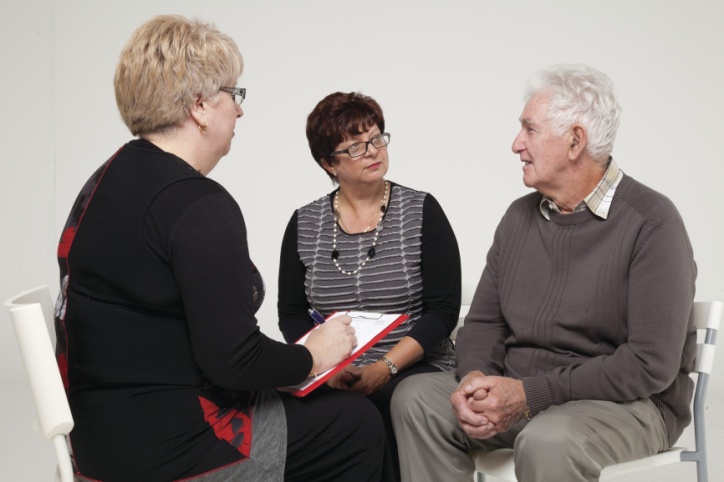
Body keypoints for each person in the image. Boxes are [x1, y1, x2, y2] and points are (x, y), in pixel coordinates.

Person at [54, 15, 384, 481]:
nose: (240, 109)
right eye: (233, 93)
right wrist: (316, 355)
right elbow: (234, 361)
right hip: (174, 452)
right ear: (200, 107)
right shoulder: (198, 204)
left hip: (97, 445)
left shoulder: (102, 182)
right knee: (355, 423)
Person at [390, 64, 697, 482]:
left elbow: (649, 365)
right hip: (521, 392)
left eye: (529, 130)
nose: (516, 144)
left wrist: (528, 395)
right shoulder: (519, 219)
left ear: (574, 141)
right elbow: (483, 322)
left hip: (627, 406)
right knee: (415, 399)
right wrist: (478, 379)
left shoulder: (652, 223)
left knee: (547, 439)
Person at [278, 91, 461, 481]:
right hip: (334, 368)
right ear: (329, 162)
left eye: (377, 138)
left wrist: (385, 366)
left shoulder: (422, 210)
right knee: (306, 418)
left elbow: (443, 311)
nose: (374, 150)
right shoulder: (304, 223)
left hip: (415, 365)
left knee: (383, 404)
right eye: (356, 146)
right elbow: (291, 314)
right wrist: (324, 367)